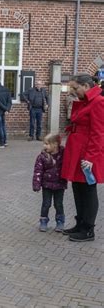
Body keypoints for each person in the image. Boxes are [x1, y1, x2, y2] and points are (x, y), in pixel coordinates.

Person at [61, 73, 104, 242]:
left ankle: (88, 229)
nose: (73, 91)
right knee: (78, 188)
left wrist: (91, 157)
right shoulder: (87, 102)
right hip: (77, 152)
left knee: (87, 190)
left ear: (86, 86)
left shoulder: (98, 102)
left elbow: (98, 133)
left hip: (86, 154)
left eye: (75, 87)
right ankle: (80, 223)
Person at [32, 133, 67, 232]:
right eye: (44, 143)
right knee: (46, 204)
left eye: (47, 144)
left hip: (60, 184)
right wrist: (36, 184)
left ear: (55, 144)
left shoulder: (63, 154)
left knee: (58, 204)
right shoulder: (42, 157)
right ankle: (43, 221)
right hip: (47, 185)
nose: (44, 146)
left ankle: (60, 222)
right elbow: (38, 171)